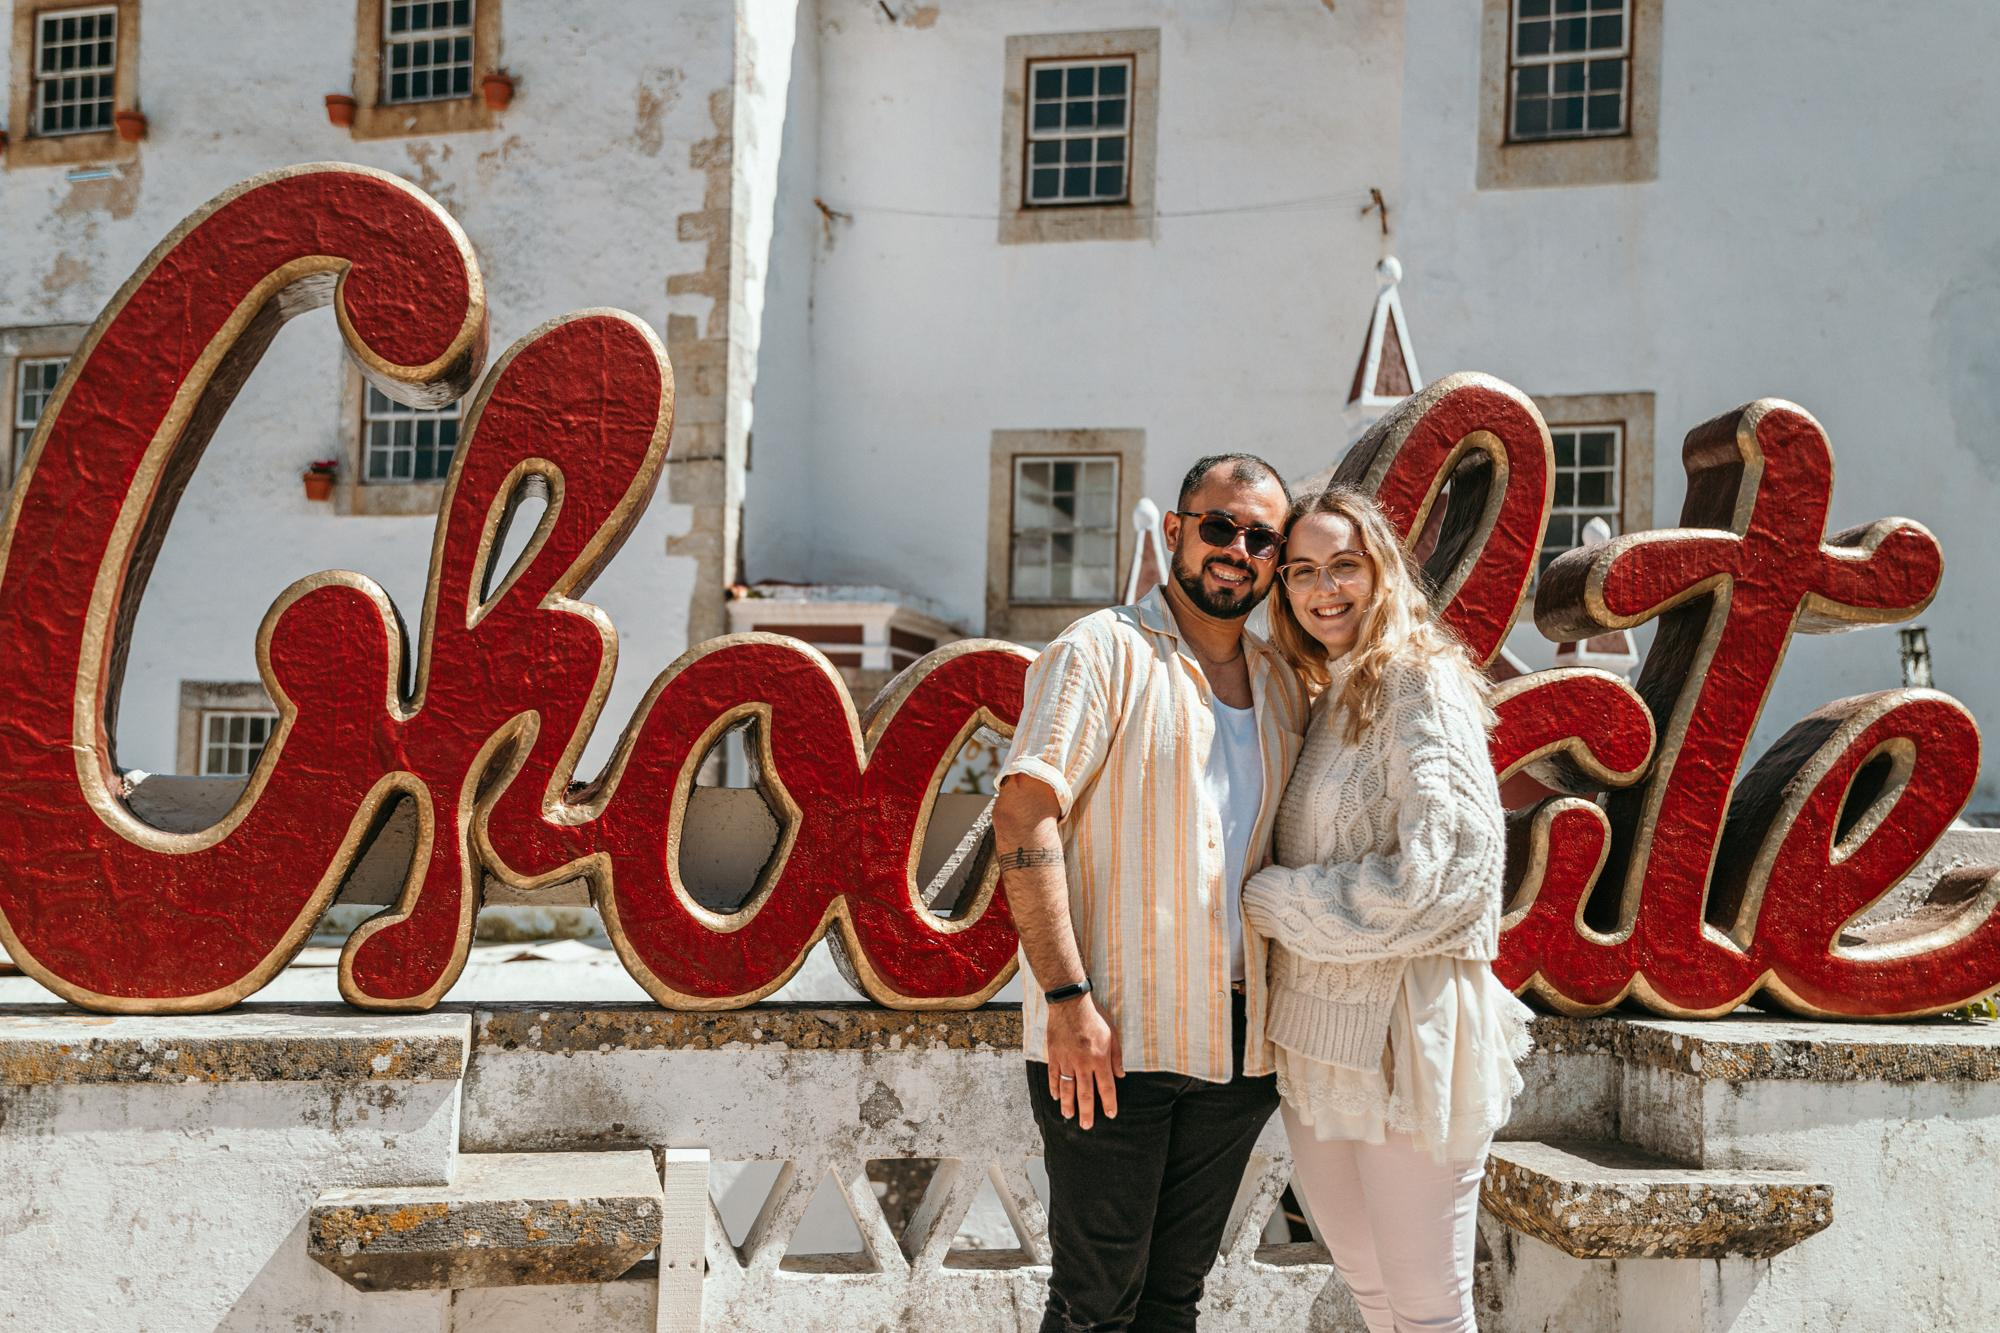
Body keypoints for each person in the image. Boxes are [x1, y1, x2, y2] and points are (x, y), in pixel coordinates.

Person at [993, 453, 1310, 1332]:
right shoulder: (1100, 651)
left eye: (1259, 537)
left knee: (1174, 1301)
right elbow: (1023, 816)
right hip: (1111, 1043)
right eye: (1218, 526)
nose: (1236, 549)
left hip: (1242, 1058)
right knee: (1096, 1303)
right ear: (1175, 531)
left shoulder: (1286, 684)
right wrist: (1066, 1000)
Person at [1241, 484, 1532, 1333]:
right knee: (1370, 1290)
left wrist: (1278, 904)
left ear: (1383, 570)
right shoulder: (1327, 691)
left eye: (1343, 566)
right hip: (1316, 1040)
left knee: (1428, 1307)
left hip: (1405, 1034)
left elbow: (1455, 876)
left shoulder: (1418, 681)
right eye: (1300, 571)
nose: (1322, 588)